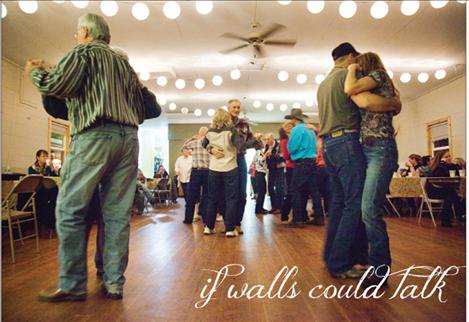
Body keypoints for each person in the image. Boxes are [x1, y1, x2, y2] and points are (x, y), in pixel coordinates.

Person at [28, 13, 154, 301]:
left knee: (69, 209)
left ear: (85, 31)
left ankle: (72, 285)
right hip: (129, 139)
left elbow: (55, 85)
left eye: (77, 33)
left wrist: (36, 71)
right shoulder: (124, 64)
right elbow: (140, 107)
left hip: (95, 136)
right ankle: (114, 284)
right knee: (116, 216)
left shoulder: (83, 52)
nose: (76, 37)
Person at [317, 42, 401, 280]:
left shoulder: (323, 83)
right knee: (355, 205)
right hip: (346, 142)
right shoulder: (347, 78)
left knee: (338, 204)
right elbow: (366, 102)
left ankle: (332, 256)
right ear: (351, 57)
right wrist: (395, 104)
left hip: (328, 146)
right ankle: (340, 262)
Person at [344, 51, 402, 286]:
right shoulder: (375, 87)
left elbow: (351, 91)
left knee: (369, 209)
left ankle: (380, 270)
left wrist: (350, 71)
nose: (356, 68)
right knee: (365, 208)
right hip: (368, 149)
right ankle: (374, 263)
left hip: (381, 149)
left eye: (359, 65)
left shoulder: (378, 75)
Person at [202, 109, 244, 237]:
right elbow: (240, 146)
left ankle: (209, 227)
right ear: (227, 118)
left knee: (212, 198)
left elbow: (204, 144)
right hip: (230, 168)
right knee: (231, 198)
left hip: (214, 169)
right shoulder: (231, 131)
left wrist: (211, 149)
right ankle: (230, 229)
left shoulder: (209, 132)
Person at [226, 99, 263, 234]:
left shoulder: (244, 125)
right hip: (226, 161)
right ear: (228, 108)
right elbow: (240, 144)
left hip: (240, 159)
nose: (236, 109)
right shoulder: (224, 123)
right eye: (234, 107)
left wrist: (258, 140)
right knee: (230, 194)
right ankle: (228, 223)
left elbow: (255, 144)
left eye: (238, 107)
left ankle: (237, 222)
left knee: (242, 194)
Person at [285, 108, 324, 228]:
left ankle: (298, 219)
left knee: (295, 189)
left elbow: (291, 148)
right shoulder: (310, 129)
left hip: (301, 162)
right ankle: (319, 217)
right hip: (312, 162)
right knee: (314, 190)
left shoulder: (296, 130)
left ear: (293, 119)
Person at [427, 150, 464, 227]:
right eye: (446, 157)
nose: (448, 158)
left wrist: (455, 164)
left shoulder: (449, 166)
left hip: (445, 190)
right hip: (434, 190)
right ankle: (460, 214)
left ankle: (450, 218)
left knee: (451, 195)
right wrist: (443, 164)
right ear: (440, 159)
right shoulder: (436, 167)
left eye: (449, 156)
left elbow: (459, 171)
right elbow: (440, 175)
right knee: (452, 193)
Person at [183, 127, 210, 224]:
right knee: (207, 196)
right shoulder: (210, 144)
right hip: (208, 171)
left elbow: (184, 147)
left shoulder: (194, 143)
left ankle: (188, 219)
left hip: (196, 171)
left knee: (191, 196)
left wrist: (192, 138)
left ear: (199, 134)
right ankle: (206, 219)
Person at [264, 133, 285, 213]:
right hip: (271, 169)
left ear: (272, 138)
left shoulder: (279, 145)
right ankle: (274, 206)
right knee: (270, 187)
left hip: (279, 168)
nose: (267, 141)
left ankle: (281, 207)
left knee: (279, 188)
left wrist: (272, 155)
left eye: (268, 139)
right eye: (266, 139)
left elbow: (282, 157)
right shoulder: (267, 147)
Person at [279, 122, 295, 223]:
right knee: (290, 192)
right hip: (291, 168)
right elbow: (285, 156)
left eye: (290, 125)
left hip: (297, 167)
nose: (289, 127)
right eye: (286, 126)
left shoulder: (295, 138)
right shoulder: (284, 141)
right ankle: (284, 214)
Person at [254, 140, 269, 214]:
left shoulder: (259, 152)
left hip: (260, 174)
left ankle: (260, 208)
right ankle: (258, 209)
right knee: (262, 191)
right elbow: (261, 161)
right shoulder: (259, 152)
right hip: (260, 173)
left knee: (262, 191)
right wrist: (266, 155)